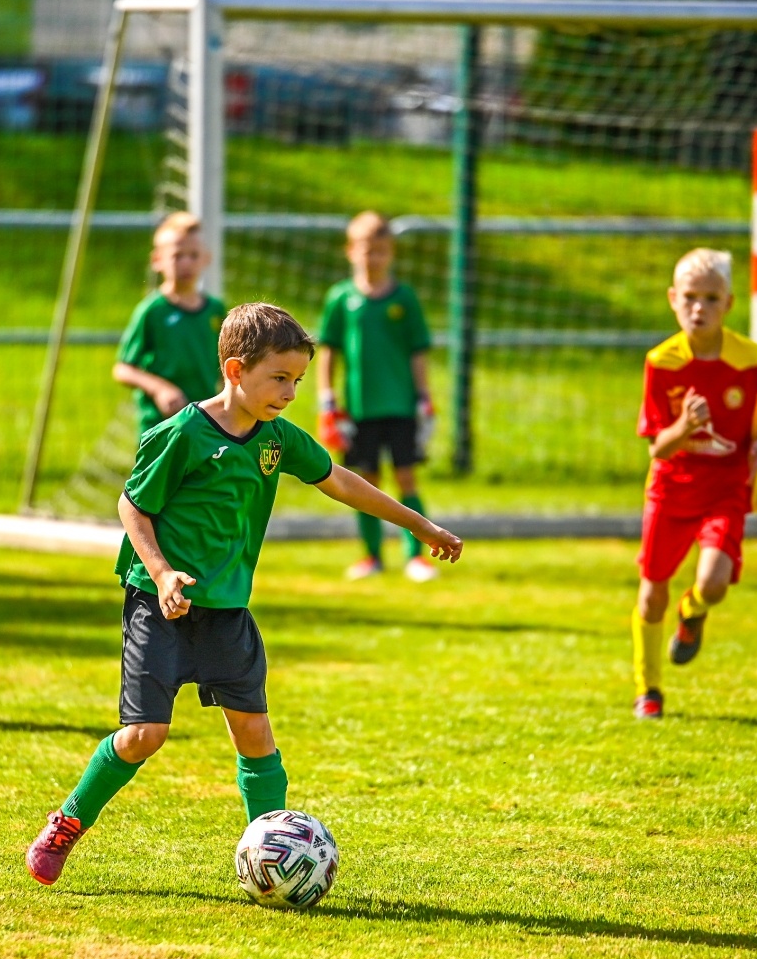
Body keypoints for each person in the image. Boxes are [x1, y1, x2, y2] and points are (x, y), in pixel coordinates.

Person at [26, 302, 463, 885]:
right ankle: (68, 822)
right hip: (160, 605)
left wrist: (417, 524)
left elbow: (341, 480)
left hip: (227, 610)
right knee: (143, 736)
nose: (290, 391)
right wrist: (161, 574)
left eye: (298, 381)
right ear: (235, 370)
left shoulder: (277, 440)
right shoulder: (182, 433)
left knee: (255, 733)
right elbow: (133, 506)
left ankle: (272, 855)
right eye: (278, 378)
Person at [632, 248, 757, 720]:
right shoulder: (661, 362)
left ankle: (692, 614)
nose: (698, 307)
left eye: (710, 298)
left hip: (727, 486)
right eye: (689, 297)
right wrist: (683, 428)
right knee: (651, 592)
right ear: (672, 300)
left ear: (728, 304)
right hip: (672, 486)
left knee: (714, 582)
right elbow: (657, 448)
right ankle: (649, 690)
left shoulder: (749, 358)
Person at [316, 211, 438, 582]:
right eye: (368, 250)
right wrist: (327, 399)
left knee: (406, 478)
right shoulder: (341, 299)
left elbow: (418, 352)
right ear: (351, 251)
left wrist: (423, 398)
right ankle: (372, 556)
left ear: (392, 254)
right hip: (358, 408)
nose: (375, 258)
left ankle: (417, 556)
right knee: (365, 483)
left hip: (400, 406)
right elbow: (329, 352)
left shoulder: (405, 299)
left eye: (382, 251)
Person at [113, 211, 228, 438]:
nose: (186, 263)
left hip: (204, 420)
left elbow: (226, 363)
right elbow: (123, 368)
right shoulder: (152, 311)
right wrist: (161, 389)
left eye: (193, 255)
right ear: (157, 260)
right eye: (177, 256)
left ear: (206, 258)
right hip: (160, 425)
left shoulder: (216, 310)